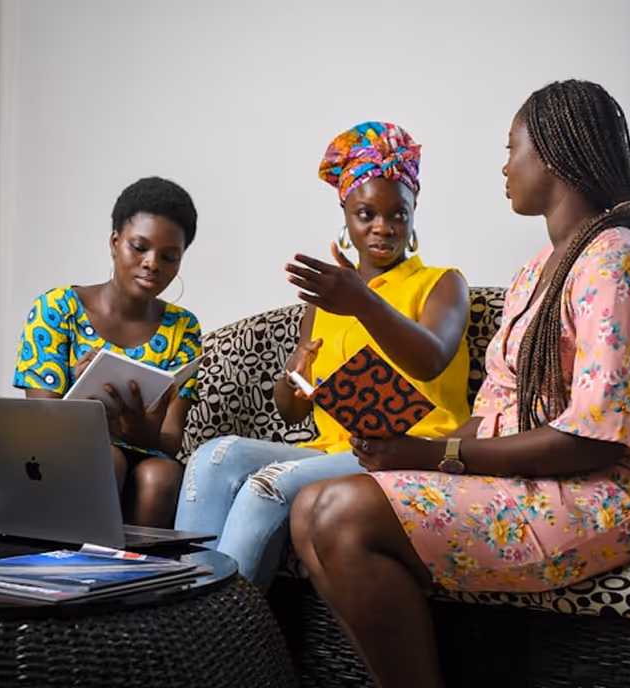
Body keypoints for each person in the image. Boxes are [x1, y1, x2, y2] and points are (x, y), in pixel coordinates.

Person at [290, 80, 630, 688]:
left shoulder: (617, 262)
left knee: (341, 512)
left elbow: (595, 440)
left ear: (552, 155)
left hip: (615, 489)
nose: (504, 167)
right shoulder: (535, 272)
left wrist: (435, 456)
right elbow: (493, 414)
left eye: (511, 149)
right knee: (309, 508)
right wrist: (405, 450)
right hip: (538, 476)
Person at [174, 121, 472, 591]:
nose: (383, 227)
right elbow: (293, 411)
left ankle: (219, 626)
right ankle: (185, 607)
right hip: (333, 451)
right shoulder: (327, 300)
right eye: (366, 214)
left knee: (266, 485)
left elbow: (431, 359)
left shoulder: (442, 283)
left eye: (398, 214)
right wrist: (294, 377)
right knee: (214, 456)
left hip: (411, 448)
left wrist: (361, 300)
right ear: (345, 215)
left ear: (414, 214)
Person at [12, 177, 201, 528]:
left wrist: (138, 427)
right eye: (139, 247)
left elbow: (170, 441)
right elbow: (41, 425)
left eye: (169, 257)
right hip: (64, 449)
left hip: (143, 454)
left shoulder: (183, 328)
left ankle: (138, 565)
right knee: (106, 457)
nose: (152, 264)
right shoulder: (57, 308)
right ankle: (83, 560)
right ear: (115, 243)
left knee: (161, 475)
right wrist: (84, 402)